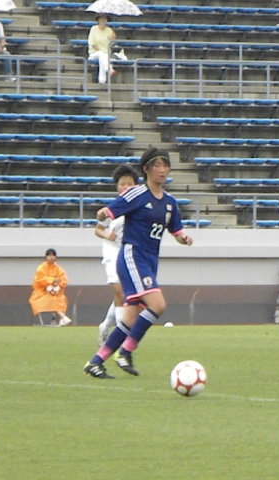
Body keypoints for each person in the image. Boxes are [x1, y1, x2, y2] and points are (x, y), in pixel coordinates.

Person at [83, 147, 193, 379]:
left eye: (166, 165)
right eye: (158, 165)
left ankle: (96, 362)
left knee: (129, 318)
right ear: (147, 169)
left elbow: (177, 231)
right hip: (133, 256)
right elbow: (108, 213)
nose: (163, 170)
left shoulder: (170, 203)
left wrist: (183, 238)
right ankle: (125, 352)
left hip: (150, 260)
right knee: (158, 304)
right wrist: (103, 213)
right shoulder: (136, 194)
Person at [94, 165, 138, 345]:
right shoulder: (113, 209)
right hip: (112, 251)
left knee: (124, 295)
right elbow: (98, 228)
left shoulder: (138, 207)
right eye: (122, 184)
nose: (126, 187)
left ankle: (105, 326)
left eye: (130, 184)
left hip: (128, 252)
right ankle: (122, 335)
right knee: (119, 291)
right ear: (117, 187)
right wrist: (107, 235)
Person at [28, 248, 72, 326]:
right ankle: (63, 317)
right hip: (41, 293)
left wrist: (57, 284)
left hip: (56, 293)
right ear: (46, 257)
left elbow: (64, 281)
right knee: (50, 300)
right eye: (49, 255)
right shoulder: (41, 268)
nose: (51, 257)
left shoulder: (59, 269)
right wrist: (51, 280)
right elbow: (38, 280)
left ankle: (61, 318)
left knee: (60, 299)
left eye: (53, 255)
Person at [87, 13, 116, 84]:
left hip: (106, 54)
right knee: (101, 54)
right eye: (101, 19)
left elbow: (111, 43)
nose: (103, 21)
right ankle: (109, 69)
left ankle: (102, 81)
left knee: (102, 58)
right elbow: (92, 43)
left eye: (105, 19)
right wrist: (101, 51)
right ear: (98, 20)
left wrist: (113, 37)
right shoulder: (93, 29)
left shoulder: (109, 30)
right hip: (94, 53)